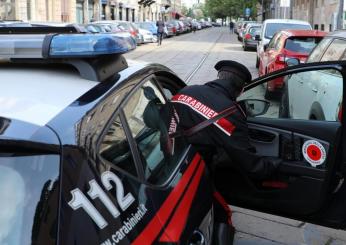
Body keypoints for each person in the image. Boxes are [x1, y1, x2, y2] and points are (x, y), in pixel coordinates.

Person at [159, 60, 282, 243]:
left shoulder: (186, 91)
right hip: (190, 176)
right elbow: (251, 165)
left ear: (219, 77)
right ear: (240, 90)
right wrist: (277, 166)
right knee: (222, 215)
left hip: (164, 164)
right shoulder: (230, 113)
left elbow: (163, 119)